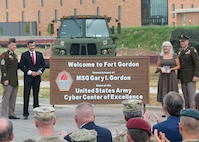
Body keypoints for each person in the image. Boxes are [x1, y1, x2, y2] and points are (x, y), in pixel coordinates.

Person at [19, 40, 46, 120]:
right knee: (26, 94)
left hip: (37, 77)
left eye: (33, 46)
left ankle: (36, 112)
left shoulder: (39, 54)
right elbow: (21, 65)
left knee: (36, 94)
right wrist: (30, 72)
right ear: (28, 46)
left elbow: (43, 65)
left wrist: (40, 72)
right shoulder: (24, 55)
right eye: (31, 46)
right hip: (28, 77)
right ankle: (25, 113)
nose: (32, 47)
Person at [156, 41, 180, 117]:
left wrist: (171, 69)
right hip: (163, 77)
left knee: (172, 92)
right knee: (163, 93)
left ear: (170, 47)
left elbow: (178, 66)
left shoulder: (174, 55)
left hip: (171, 76)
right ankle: (164, 111)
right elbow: (157, 66)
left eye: (167, 46)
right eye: (164, 46)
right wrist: (161, 68)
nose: (165, 48)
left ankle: (173, 111)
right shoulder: (161, 56)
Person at [0, 38, 20, 119]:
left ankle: (11, 113)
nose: (14, 46)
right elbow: (3, 67)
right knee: (6, 98)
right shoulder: (4, 55)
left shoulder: (14, 55)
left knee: (13, 98)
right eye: (12, 45)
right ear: (8, 45)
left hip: (14, 80)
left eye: (15, 45)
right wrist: (5, 79)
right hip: (8, 80)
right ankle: (4, 115)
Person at [178, 34, 199, 109]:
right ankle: (187, 113)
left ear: (187, 42)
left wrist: (196, 75)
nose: (182, 43)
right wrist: (179, 77)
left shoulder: (192, 50)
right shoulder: (181, 52)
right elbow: (180, 66)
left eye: (183, 41)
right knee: (186, 97)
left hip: (191, 77)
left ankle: (193, 113)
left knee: (191, 98)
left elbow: (196, 63)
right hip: (183, 78)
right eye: (181, 42)